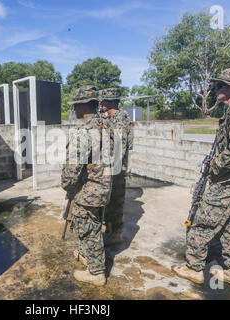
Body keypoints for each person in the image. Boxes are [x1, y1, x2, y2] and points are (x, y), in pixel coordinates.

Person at [171, 68, 230, 292]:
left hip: (229, 179)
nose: (216, 89)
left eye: (221, 85)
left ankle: (193, 268)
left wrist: (215, 166)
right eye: (216, 85)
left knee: (203, 221)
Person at [61, 85, 112, 286]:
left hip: (89, 190)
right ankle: (87, 256)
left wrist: (66, 185)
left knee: (89, 229)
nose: (74, 110)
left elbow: (73, 169)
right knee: (94, 224)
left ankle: (96, 272)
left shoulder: (85, 131)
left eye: (75, 106)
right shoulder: (106, 126)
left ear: (83, 107)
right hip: (104, 185)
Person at [98, 88, 133, 246]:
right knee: (108, 199)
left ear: (111, 101)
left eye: (103, 100)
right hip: (108, 166)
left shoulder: (120, 118)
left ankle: (117, 233)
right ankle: (109, 228)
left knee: (117, 199)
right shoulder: (107, 116)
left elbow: (120, 146)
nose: (100, 102)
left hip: (116, 167)